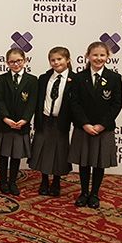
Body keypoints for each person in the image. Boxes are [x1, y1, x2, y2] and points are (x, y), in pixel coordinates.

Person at [69, 41, 122, 209]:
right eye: (95, 55)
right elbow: (74, 103)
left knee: (99, 162)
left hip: (103, 129)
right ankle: (84, 192)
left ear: (107, 57)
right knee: (84, 162)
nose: (98, 58)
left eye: (102, 55)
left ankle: (95, 194)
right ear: (87, 56)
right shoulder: (79, 77)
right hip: (83, 128)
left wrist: (101, 125)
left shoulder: (115, 78)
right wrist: (85, 124)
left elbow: (117, 104)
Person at [0, 48, 37, 196]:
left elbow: (32, 103)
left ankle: (13, 182)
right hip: (4, 124)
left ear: (25, 60)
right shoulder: (2, 79)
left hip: (21, 124)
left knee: (16, 155)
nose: (15, 64)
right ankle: (2, 181)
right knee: (3, 154)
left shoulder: (33, 80)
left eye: (18, 61)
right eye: (12, 61)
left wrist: (25, 119)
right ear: (6, 62)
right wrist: (6, 118)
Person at [30, 47, 75, 196]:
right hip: (44, 120)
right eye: (52, 60)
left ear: (67, 60)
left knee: (59, 153)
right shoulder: (44, 78)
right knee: (41, 150)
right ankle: (43, 180)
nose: (56, 62)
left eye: (59, 59)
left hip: (60, 122)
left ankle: (56, 181)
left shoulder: (74, 80)